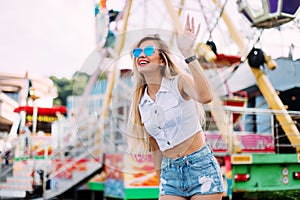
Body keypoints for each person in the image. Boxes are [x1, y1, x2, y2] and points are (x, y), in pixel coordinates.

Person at [127, 15, 224, 200]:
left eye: (148, 50)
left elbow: (206, 97)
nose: (141, 55)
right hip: (169, 173)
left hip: (200, 166)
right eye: (137, 52)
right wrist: (161, 178)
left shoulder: (179, 83)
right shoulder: (141, 101)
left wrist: (188, 53)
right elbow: (155, 144)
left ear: (162, 60)